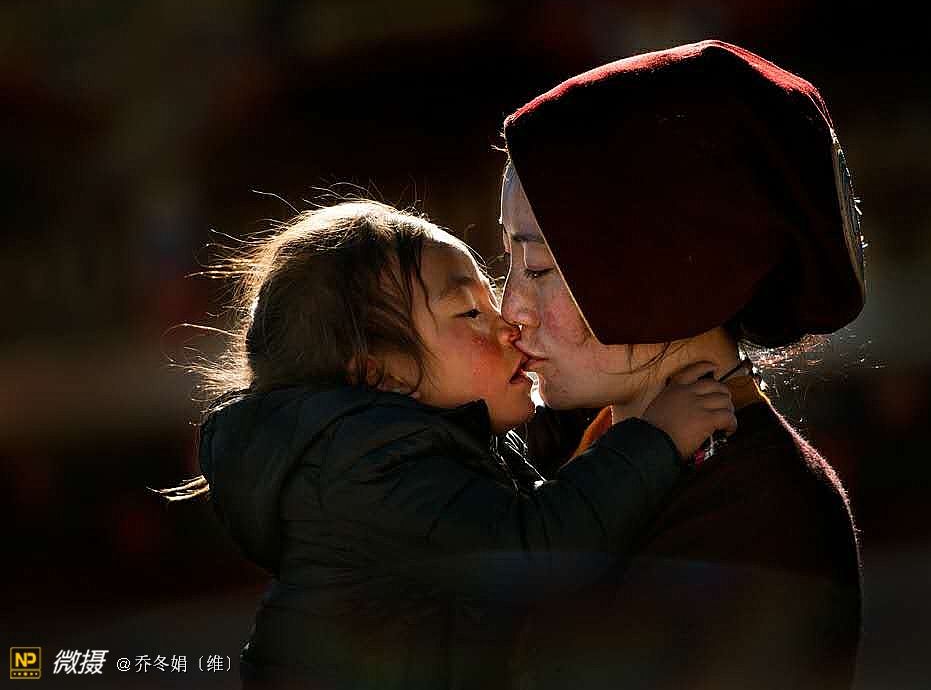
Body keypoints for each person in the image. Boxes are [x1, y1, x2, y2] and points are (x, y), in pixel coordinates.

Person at [153, 199, 738, 689]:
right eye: (469, 312)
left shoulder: (404, 448)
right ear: (378, 371)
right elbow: (533, 551)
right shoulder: (372, 470)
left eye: (491, 298)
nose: (508, 324)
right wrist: (656, 436)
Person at [497, 39, 866, 689]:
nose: (511, 310)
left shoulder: (765, 516)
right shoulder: (609, 453)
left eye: (541, 267)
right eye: (509, 261)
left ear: (659, 269)